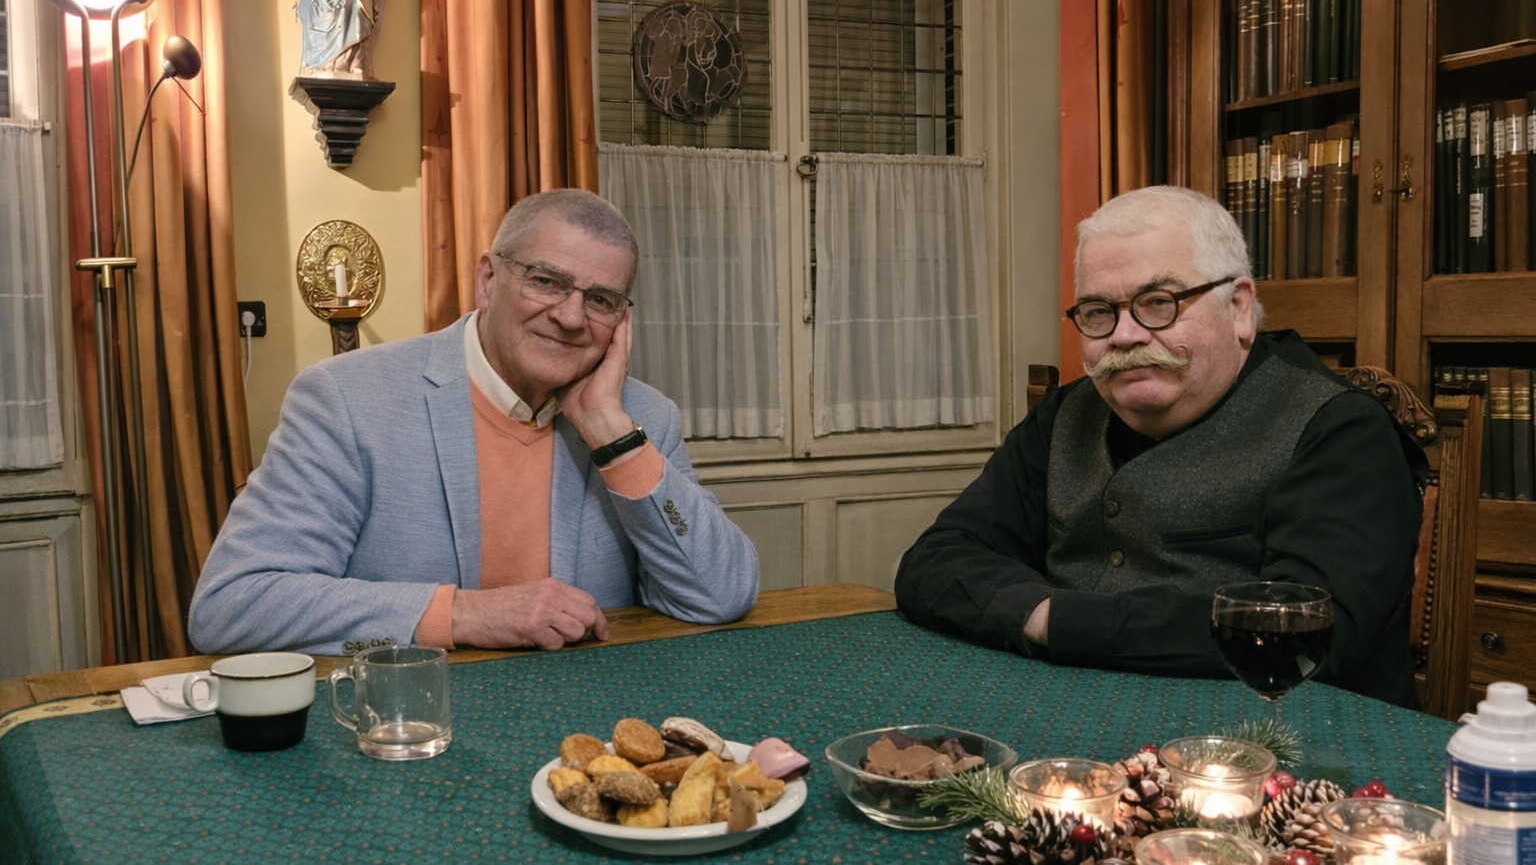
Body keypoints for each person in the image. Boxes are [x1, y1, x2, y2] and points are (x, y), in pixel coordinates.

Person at [893, 185, 1427, 707]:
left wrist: (1059, 620)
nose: (1124, 335)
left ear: (1239, 308)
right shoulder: (1064, 415)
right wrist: (1037, 614)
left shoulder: (1340, 430)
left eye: (1158, 303)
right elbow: (934, 562)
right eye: (1098, 311)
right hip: (1061, 717)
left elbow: (1307, 630)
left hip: (1278, 742)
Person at [189, 190, 761, 656]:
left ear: (621, 320)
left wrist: (615, 439)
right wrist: (463, 614)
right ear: (488, 279)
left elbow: (720, 596)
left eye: (601, 300)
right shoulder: (346, 399)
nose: (570, 317)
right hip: (409, 725)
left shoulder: (640, 418)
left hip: (589, 733)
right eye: (546, 281)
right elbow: (233, 605)